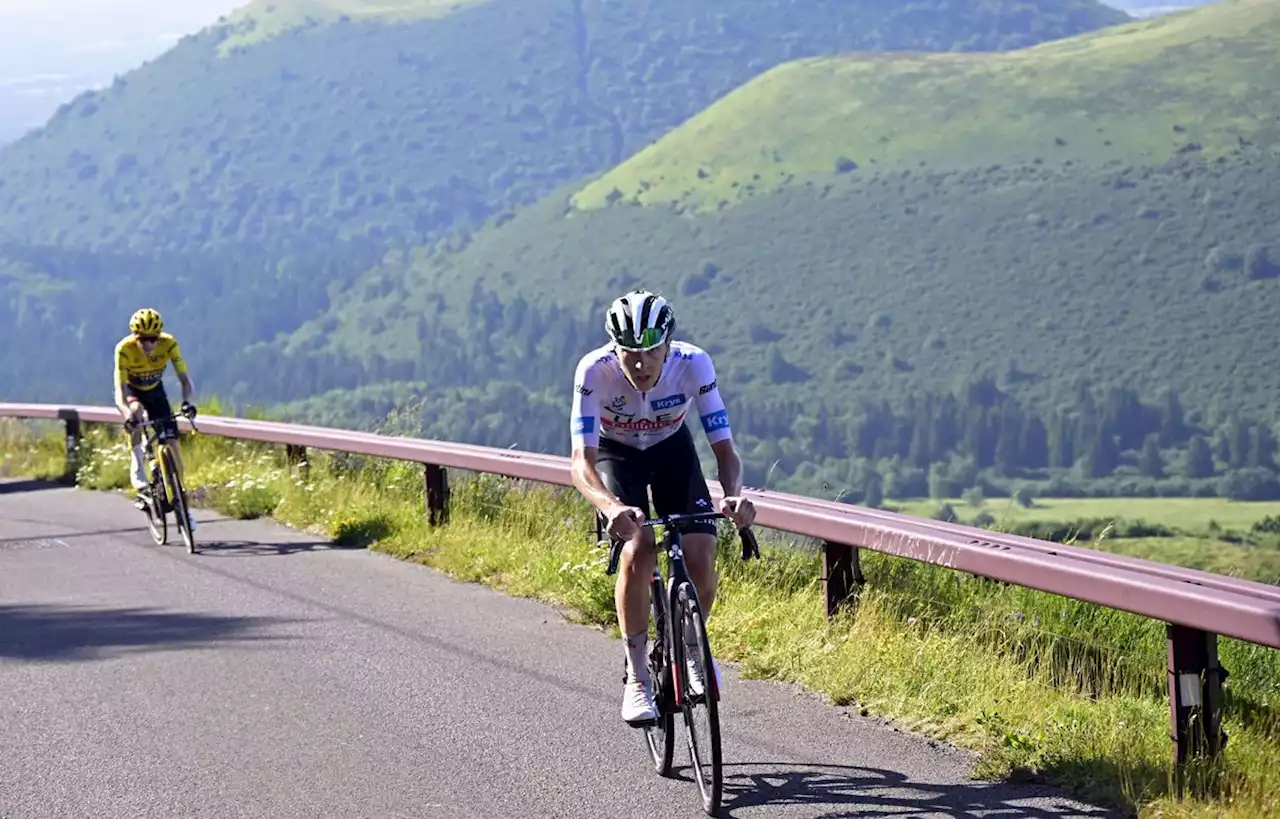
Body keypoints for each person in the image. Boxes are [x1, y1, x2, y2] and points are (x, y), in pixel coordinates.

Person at [569, 289, 756, 725]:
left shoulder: (693, 364)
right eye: (628, 352)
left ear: (668, 346)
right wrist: (610, 505)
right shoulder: (594, 372)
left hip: (673, 451)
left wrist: (731, 496)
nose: (639, 363)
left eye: (650, 351)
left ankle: (693, 649)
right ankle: (637, 677)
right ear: (614, 348)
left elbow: (724, 449)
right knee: (639, 548)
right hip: (618, 456)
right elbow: (581, 462)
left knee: (700, 553)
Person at [113, 308, 197, 520]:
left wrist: (188, 403)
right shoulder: (124, 349)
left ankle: (181, 505)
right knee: (136, 413)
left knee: (174, 449)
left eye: (153, 339)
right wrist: (126, 415)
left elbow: (185, 381)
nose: (149, 345)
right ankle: (138, 466)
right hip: (133, 392)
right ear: (135, 337)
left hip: (156, 392)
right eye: (144, 340)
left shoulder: (169, 343)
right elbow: (119, 392)